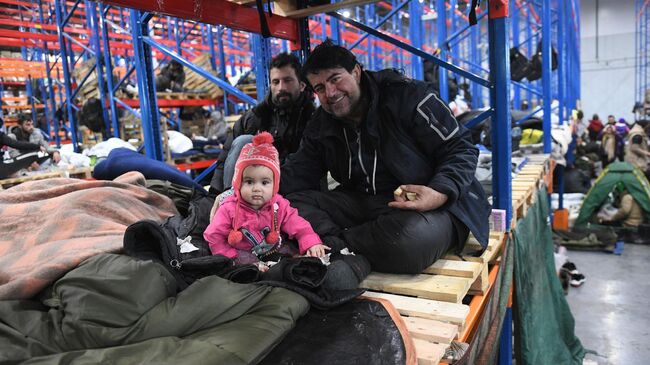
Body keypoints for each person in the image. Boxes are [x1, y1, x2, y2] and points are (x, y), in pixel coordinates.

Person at [279, 40, 491, 275]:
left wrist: (439, 192)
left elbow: (460, 148)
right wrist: (243, 192)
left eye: (335, 79)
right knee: (286, 206)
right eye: (319, 88)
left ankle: (334, 247)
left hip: (426, 206)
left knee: (409, 241)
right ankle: (342, 246)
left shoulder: (409, 97)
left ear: (356, 72)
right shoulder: (321, 124)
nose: (330, 93)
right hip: (364, 203)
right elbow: (299, 171)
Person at [209, 53, 315, 196]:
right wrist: (215, 193)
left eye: (288, 80)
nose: (281, 87)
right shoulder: (255, 117)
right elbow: (225, 157)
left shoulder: (311, 119)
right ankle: (230, 202)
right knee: (243, 141)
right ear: (270, 85)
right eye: (276, 82)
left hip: (293, 191)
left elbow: (304, 165)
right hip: (252, 192)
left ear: (301, 85)